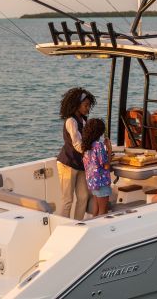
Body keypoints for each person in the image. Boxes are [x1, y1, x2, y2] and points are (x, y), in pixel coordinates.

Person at [57, 87, 96, 219]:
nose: (87, 109)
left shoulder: (83, 121)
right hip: (68, 164)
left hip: (80, 164)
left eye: (89, 106)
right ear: (76, 105)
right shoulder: (71, 121)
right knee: (67, 200)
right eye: (85, 105)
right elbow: (77, 144)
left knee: (83, 196)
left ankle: (78, 224)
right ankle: (63, 227)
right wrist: (93, 151)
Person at [82, 118, 113, 217]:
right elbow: (106, 165)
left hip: (93, 182)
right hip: (101, 182)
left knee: (95, 212)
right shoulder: (98, 146)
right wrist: (109, 149)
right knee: (103, 212)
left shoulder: (86, 145)